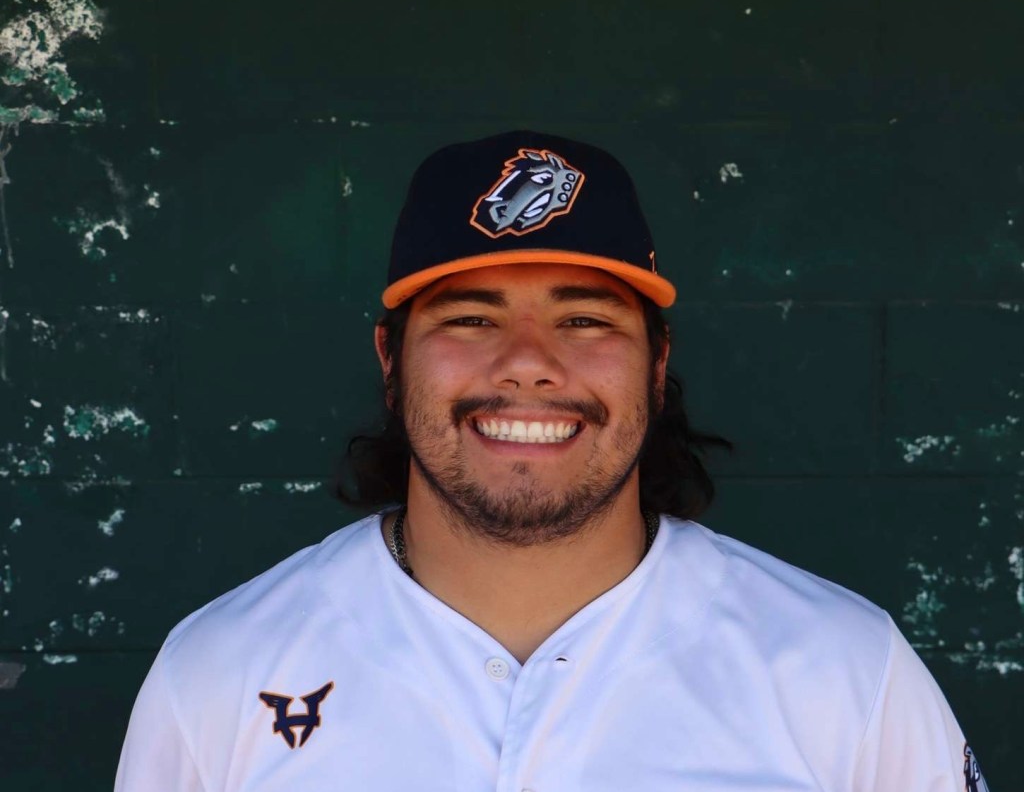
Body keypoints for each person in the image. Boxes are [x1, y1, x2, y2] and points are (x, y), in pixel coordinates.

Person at [115, 131, 988, 791]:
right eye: (471, 318)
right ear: (391, 359)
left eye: (584, 320)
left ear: (656, 363)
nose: (528, 363)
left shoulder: (842, 669)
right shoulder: (221, 673)